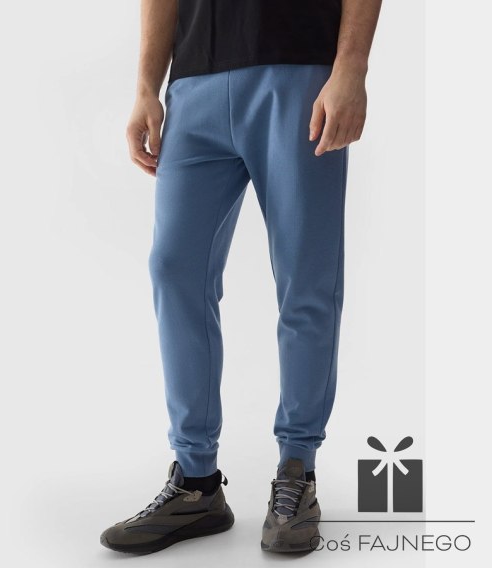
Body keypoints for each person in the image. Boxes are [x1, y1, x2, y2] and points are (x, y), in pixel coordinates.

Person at [101, 0, 382, 555]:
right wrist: (146, 87)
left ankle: (297, 470)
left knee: (305, 278)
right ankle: (196, 483)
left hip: (298, 72)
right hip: (194, 84)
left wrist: (351, 68)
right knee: (175, 269)